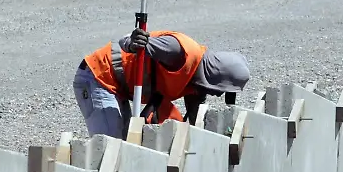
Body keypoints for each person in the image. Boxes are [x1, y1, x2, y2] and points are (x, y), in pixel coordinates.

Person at [74, 28, 251, 138]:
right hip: (98, 75)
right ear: (215, 78)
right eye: (221, 90)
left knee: (128, 144)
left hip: (120, 87)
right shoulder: (179, 51)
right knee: (110, 147)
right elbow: (128, 40)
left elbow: (195, 123)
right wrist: (132, 43)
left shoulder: (196, 84)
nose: (218, 95)